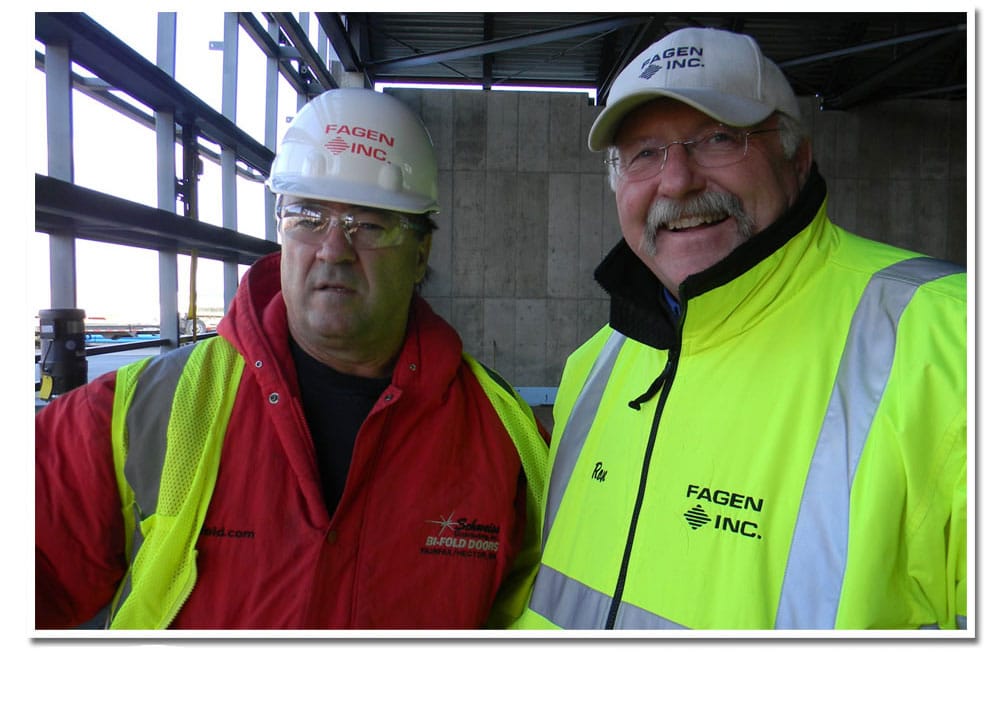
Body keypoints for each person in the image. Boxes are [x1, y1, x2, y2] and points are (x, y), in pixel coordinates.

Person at [35, 88, 549, 630]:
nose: (333, 249)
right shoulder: (139, 414)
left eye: (368, 225)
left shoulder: (507, 439)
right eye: (307, 216)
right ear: (281, 226)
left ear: (421, 251)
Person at [510, 27, 966, 630]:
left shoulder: (950, 343)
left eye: (718, 138)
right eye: (644, 152)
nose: (677, 181)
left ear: (797, 160)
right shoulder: (594, 365)